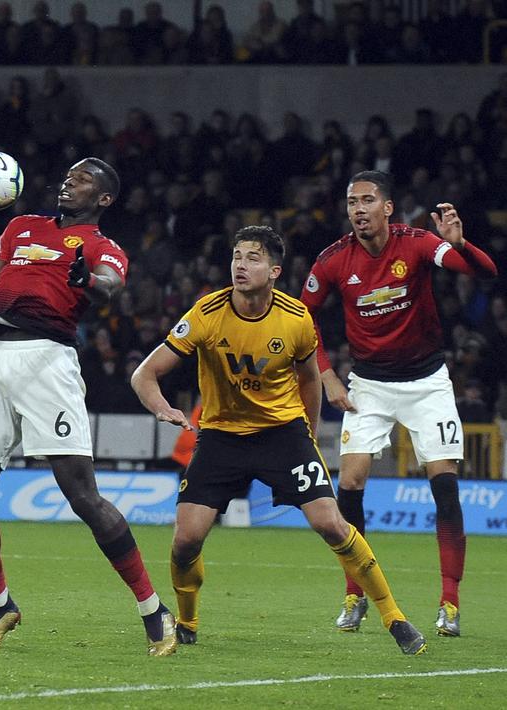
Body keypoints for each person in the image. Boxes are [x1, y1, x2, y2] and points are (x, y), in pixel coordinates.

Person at [0, 158, 178, 657]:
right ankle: (0, 605)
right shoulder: (21, 228)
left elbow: (109, 285)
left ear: (104, 199)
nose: (69, 182)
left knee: (82, 496)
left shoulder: (101, 247)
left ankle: (154, 610)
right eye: (68, 175)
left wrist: (90, 281)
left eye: (83, 179)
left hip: (48, 364)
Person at [131, 225, 427, 656]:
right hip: (221, 436)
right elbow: (145, 374)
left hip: (281, 434)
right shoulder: (206, 313)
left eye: (252, 258)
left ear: (274, 271)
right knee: (185, 540)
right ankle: (188, 619)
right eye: (236, 256)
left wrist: (306, 433)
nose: (240, 265)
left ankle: (394, 616)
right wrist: (162, 408)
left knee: (331, 522)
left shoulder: (295, 318)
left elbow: (309, 380)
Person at [300, 170, 498, 637]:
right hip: (368, 384)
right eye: (352, 202)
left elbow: (485, 273)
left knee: (444, 484)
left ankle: (449, 602)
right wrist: (326, 376)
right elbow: (300, 318)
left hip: (428, 382)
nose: (358, 209)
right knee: (349, 483)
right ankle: (355, 593)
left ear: (388, 207)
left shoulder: (419, 243)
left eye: (367, 200)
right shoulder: (332, 260)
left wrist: (461, 243)